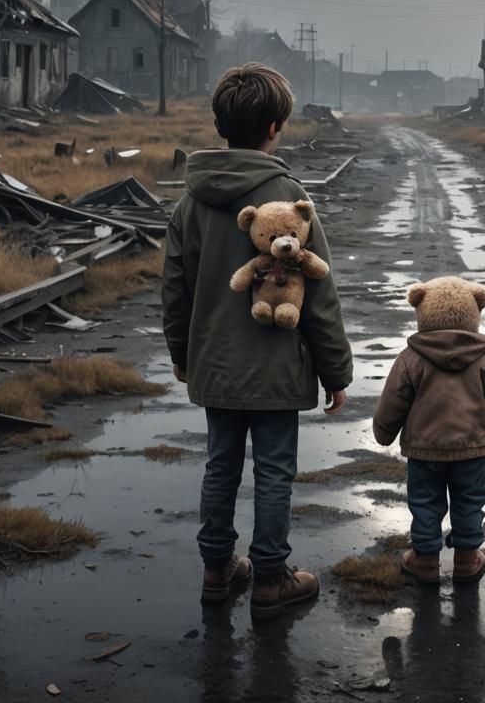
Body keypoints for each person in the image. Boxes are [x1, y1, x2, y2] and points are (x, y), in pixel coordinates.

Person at [163, 63, 352, 620]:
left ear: (222, 124)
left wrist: (182, 355)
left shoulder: (191, 201)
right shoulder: (291, 201)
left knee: (220, 466)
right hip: (276, 368)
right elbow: (318, 292)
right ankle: (271, 578)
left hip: (216, 366)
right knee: (273, 470)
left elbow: (174, 287)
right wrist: (335, 372)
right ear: (275, 126)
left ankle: (217, 571)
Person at [372, 277, 485, 584]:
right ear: (476, 307)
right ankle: (467, 559)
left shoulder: (411, 357)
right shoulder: (484, 357)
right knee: (469, 500)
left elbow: (394, 399)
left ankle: (425, 560)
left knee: (425, 502)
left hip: (424, 448)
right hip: (470, 448)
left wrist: (384, 431)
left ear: (421, 306)